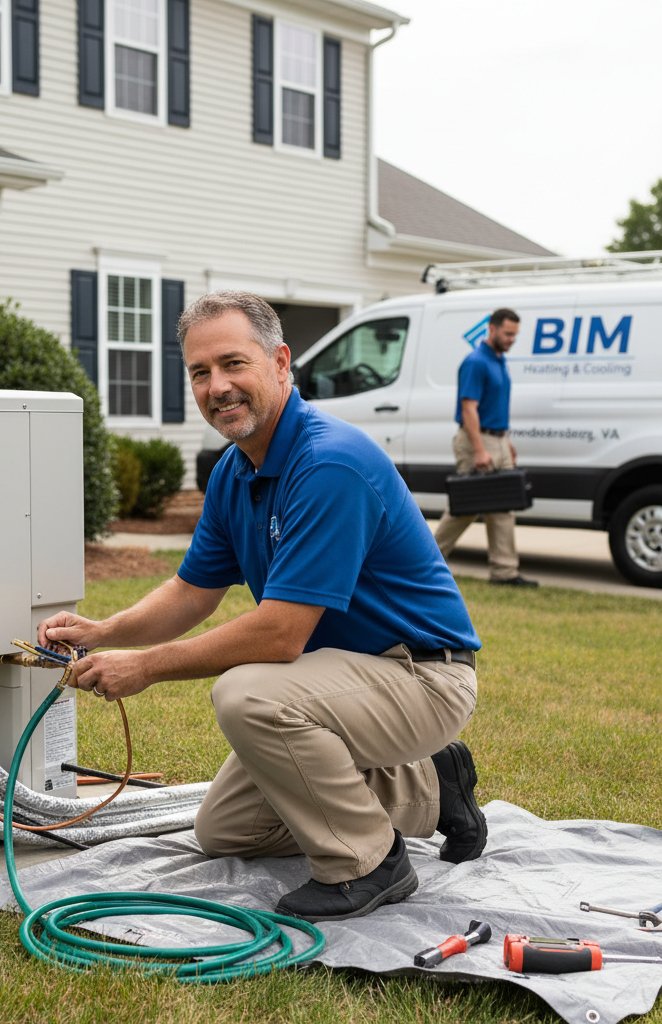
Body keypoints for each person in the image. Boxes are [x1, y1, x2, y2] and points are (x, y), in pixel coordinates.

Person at [38, 291, 487, 922]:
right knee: (226, 830)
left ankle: (368, 862)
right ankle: (432, 789)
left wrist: (145, 667)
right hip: (346, 675)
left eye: (233, 364)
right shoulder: (235, 470)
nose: (217, 386)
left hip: (422, 675)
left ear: (280, 362)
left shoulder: (328, 463)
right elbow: (192, 590)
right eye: (200, 372)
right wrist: (106, 630)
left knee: (249, 694)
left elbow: (280, 636)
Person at [433, 308, 538, 587]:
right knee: (465, 507)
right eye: (507, 333)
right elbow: (469, 408)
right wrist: (480, 449)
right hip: (476, 439)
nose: (512, 339)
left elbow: (495, 406)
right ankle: (423, 561)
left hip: (499, 439)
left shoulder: (499, 360)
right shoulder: (475, 362)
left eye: (515, 334)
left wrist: (507, 443)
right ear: (491, 329)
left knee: (504, 505)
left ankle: (504, 572)